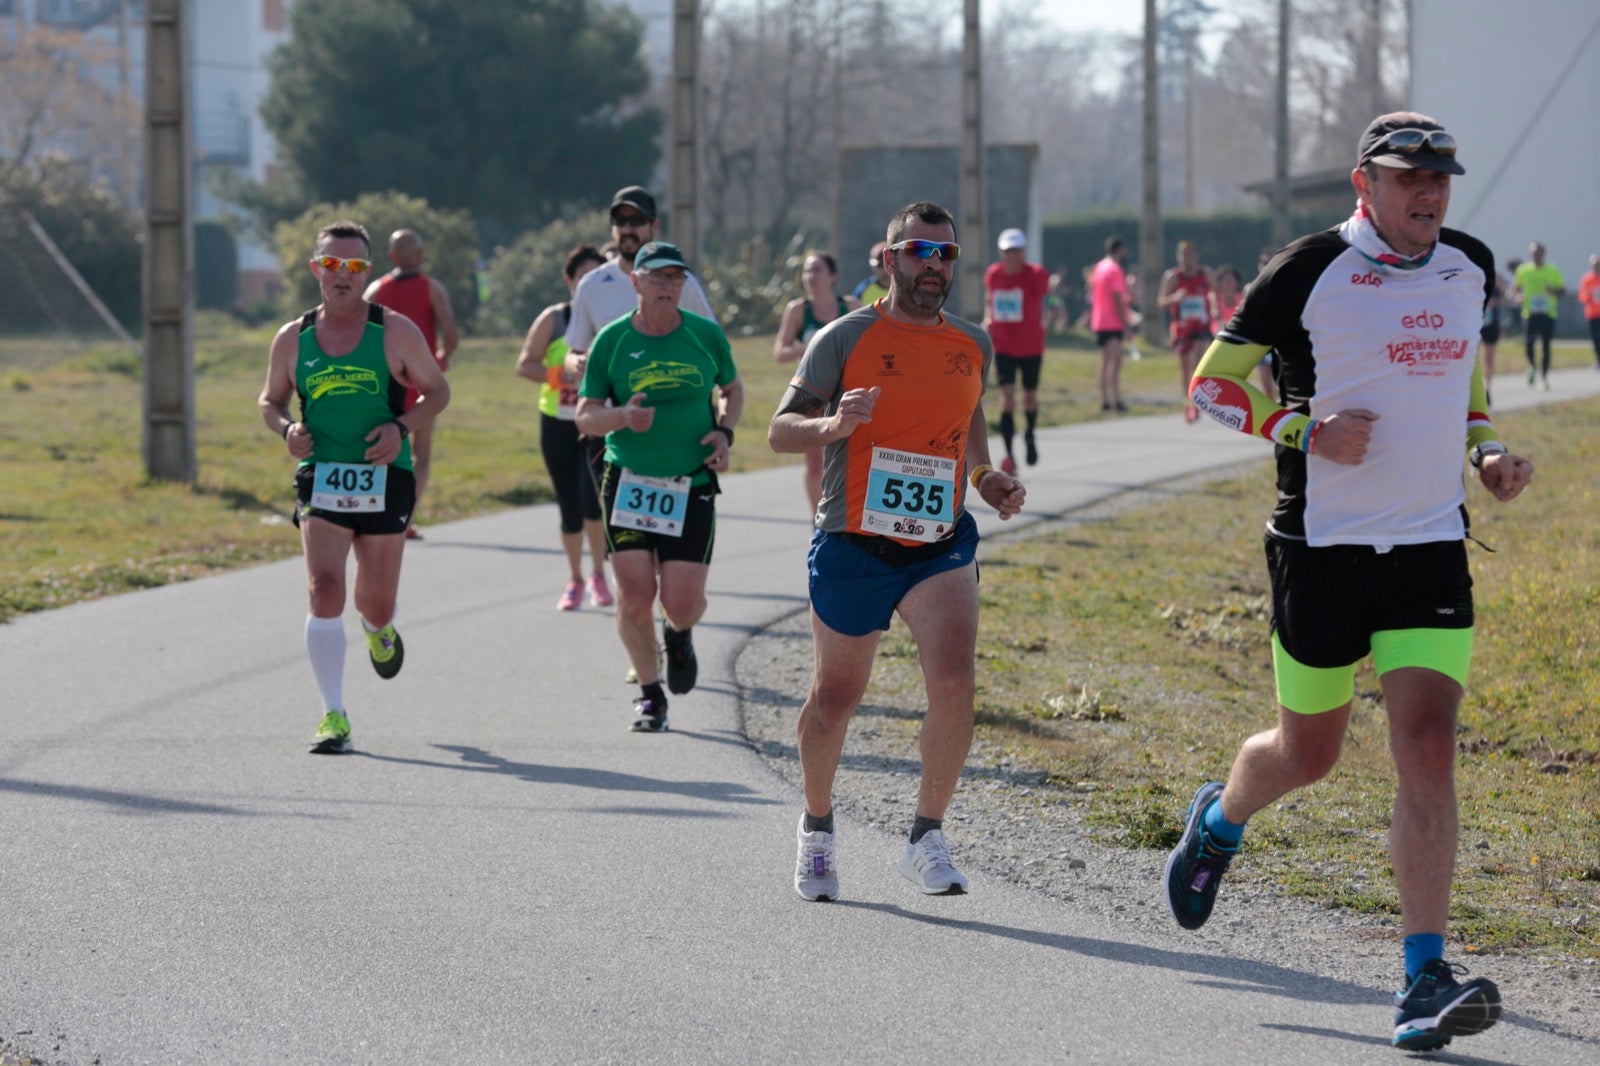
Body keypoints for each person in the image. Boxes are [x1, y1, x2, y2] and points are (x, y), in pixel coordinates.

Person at [1176, 112, 1534, 1052]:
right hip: (1321, 547)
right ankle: (1218, 821)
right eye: (1410, 175)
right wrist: (1304, 431)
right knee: (1309, 753)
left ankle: (1423, 976)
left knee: (1426, 743)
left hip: (1428, 547)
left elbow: (1462, 385)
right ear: (1362, 182)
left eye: (1442, 176)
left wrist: (1487, 450)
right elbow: (1212, 387)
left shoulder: (1468, 264)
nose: (1430, 192)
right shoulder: (1304, 270)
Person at [767, 201, 1026, 903]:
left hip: (936, 545)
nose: (933, 266)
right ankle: (817, 830)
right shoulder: (843, 337)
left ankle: (926, 838)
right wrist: (833, 421)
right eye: (919, 252)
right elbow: (779, 430)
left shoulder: (973, 343)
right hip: (853, 540)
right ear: (888, 260)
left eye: (945, 255)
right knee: (836, 698)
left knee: (954, 683)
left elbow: (967, 409)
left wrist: (984, 476)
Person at [258, 220, 451, 754]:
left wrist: (400, 428)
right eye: (333, 265)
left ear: (367, 272)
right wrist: (286, 430)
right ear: (316, 269)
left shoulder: (394, 331)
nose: (343, 275)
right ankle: (333, 715)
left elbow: (436, 392)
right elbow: (270, 400)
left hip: (386, 477)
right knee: (324, 589)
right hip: (322, 473)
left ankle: (379, 630)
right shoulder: (293, 338)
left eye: (355, 266)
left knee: (376, 603)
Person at [575, 241, 742, 733]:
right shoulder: (612, 340)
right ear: (636, 283)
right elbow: (586, 418)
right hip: (628, 479)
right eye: (657, 277)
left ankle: (678, 633)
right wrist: (622, 416)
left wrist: (724, 432)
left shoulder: (705, 337)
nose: (668, 286)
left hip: (691, 482)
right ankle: (651, 696)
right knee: (633, 592)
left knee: (683, 601)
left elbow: (733, 389)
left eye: (675, 278)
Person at [514, 244, 613, 611]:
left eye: (598, 277)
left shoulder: (613, 320)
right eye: (582, 277)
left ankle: (598, 575)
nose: (589, 284)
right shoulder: (553, 319)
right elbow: (525, 365)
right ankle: (574, 580)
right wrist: (562, 375)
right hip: (557, 422)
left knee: (592, 500)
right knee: (569, 507)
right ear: (569, 280)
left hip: (598, 422)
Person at [363, 228, 460, 539]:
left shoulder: (376, 290)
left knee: (380, 449)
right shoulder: (433, 288)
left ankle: (374, 509)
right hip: (420, 384)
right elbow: (451, 332)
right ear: (420, 255)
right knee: (421, 453)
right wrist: (441, 360)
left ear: (391, 257)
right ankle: (405, 517)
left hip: (383, 383)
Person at [566, 185, 718, 362]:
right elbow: (575, 352)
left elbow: (712, 344)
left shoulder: (680, 282)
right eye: (620, 221)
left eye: (636, 220)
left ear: (655, 226)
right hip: (611, 390)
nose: (627, 230)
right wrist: (575, 364)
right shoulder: (591, 284)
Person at [774, 251, 859, 515]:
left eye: (817, 270)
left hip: (847, 392)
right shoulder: (799, 310)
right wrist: (808, 349)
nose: (810, 277)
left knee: (851, 459)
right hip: (814, 392)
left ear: (832, 276)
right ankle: (817, 519)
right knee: (814, 464)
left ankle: (851, 515)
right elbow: (779, 352)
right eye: (807, 271)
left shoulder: (850, 307)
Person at [982, 227, 1052, 471]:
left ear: (1023, 252)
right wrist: (987, 320)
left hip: (1031, 345)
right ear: (1001, 252)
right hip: (1003, 345)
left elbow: (1047, 298)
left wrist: (1052, 316)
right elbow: (990, 301)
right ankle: (1009, 454)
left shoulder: (1036, 275)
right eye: (1007, 251)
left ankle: (1030, 434)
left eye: (1016, 251)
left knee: (1029, 397)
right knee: (1007, 397)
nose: (1011, 256)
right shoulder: (993, 274)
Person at [1158, 240, 1215, 422]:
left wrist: (1214, 306)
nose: (1187, 258)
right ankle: (1188, 403)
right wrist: (1175, 297)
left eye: (1190, 254)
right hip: (1182, 328)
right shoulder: (1172, 277)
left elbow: (1215, 293)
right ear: (1178, 257)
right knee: (1185, 367)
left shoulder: (1205, 274)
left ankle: (1198, 400)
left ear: (1195, 256)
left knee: (1199, 363)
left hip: (1201, 325)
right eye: (1183, 254)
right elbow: (1161, 302)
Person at [1088, 236, 1135, 412]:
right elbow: (1117, 297)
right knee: (1116, 362)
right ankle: (1116, 399)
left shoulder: (1099, 267)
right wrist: (1126, 322)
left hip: (1099, 320)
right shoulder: (1115, 270)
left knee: (1105, 362)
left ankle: (1104, 399)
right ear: (1119, 250)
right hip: (1113, 321)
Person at [1512, 241, 1565, 390]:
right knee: (1528, 344)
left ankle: (1544, 378)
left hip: (1548, 314)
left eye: (1537, 253)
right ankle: (1532, 366)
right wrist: (1518, 297)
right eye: (1532, 254)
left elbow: (1562, 291)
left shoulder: (1552, 270)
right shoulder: (1523, 270)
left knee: (1546, 346)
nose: (1534, 256)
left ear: (1543, 254)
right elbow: (1516, 289)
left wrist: (1552, 291)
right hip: (1530, 313)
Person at [1479, 266, 1508, 404]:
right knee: (1471, 358)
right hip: (1475, 324)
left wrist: (1496, 302)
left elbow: (1505, 300)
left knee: (1488, 358)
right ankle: (1473, 389)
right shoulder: (1472, 274)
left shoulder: (1497, 279)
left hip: (1492, 324)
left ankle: (1488, 390)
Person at [1579, 254, 1600, 368]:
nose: (1597, 267)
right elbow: (1582, 296)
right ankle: (1598, 359)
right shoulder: (1587, 279)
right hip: (1592, 314)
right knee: (1596, 338)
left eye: (1598, 265)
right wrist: (1587, 295)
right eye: (1594, 265)